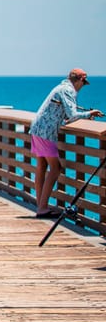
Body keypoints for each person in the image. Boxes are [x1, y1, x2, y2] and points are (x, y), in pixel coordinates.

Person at [30, 69, 102, 218]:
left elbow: (64, 115)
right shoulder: (68, 90)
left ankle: (41, 206)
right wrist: (90, 113)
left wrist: (85, 115)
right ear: (80, 80)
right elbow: (73, 114)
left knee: (42, 166)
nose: (82, 87)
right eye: (83, 83)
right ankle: (42, 208)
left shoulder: (60, 87)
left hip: (37, 128)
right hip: (46, 132)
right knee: (56, 168)